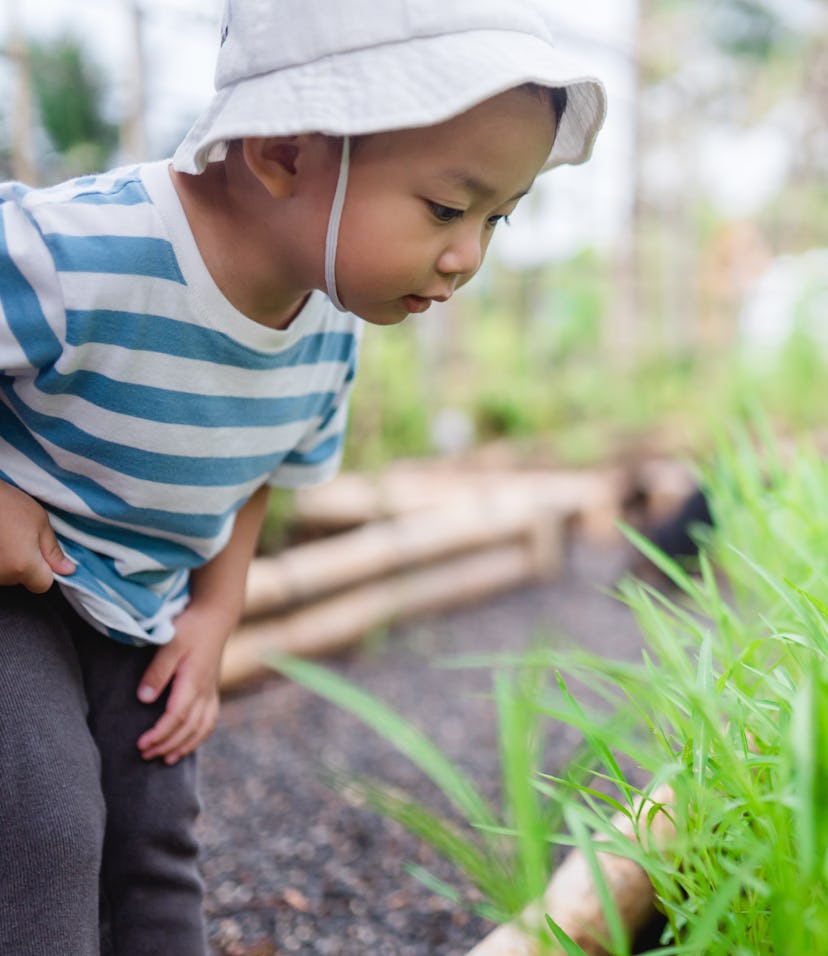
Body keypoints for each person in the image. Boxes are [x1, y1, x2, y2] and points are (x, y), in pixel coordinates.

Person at [0, 1, 606, 953]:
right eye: (447, 209)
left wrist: (215, 615)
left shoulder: (327, 332)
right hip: (17, 594)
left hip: (141, 605)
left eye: (498, 217)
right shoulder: (76, 257)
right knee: (45, 824)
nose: (469, 257)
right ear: (283, 150)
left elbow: (257, 470)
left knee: (156, 839)